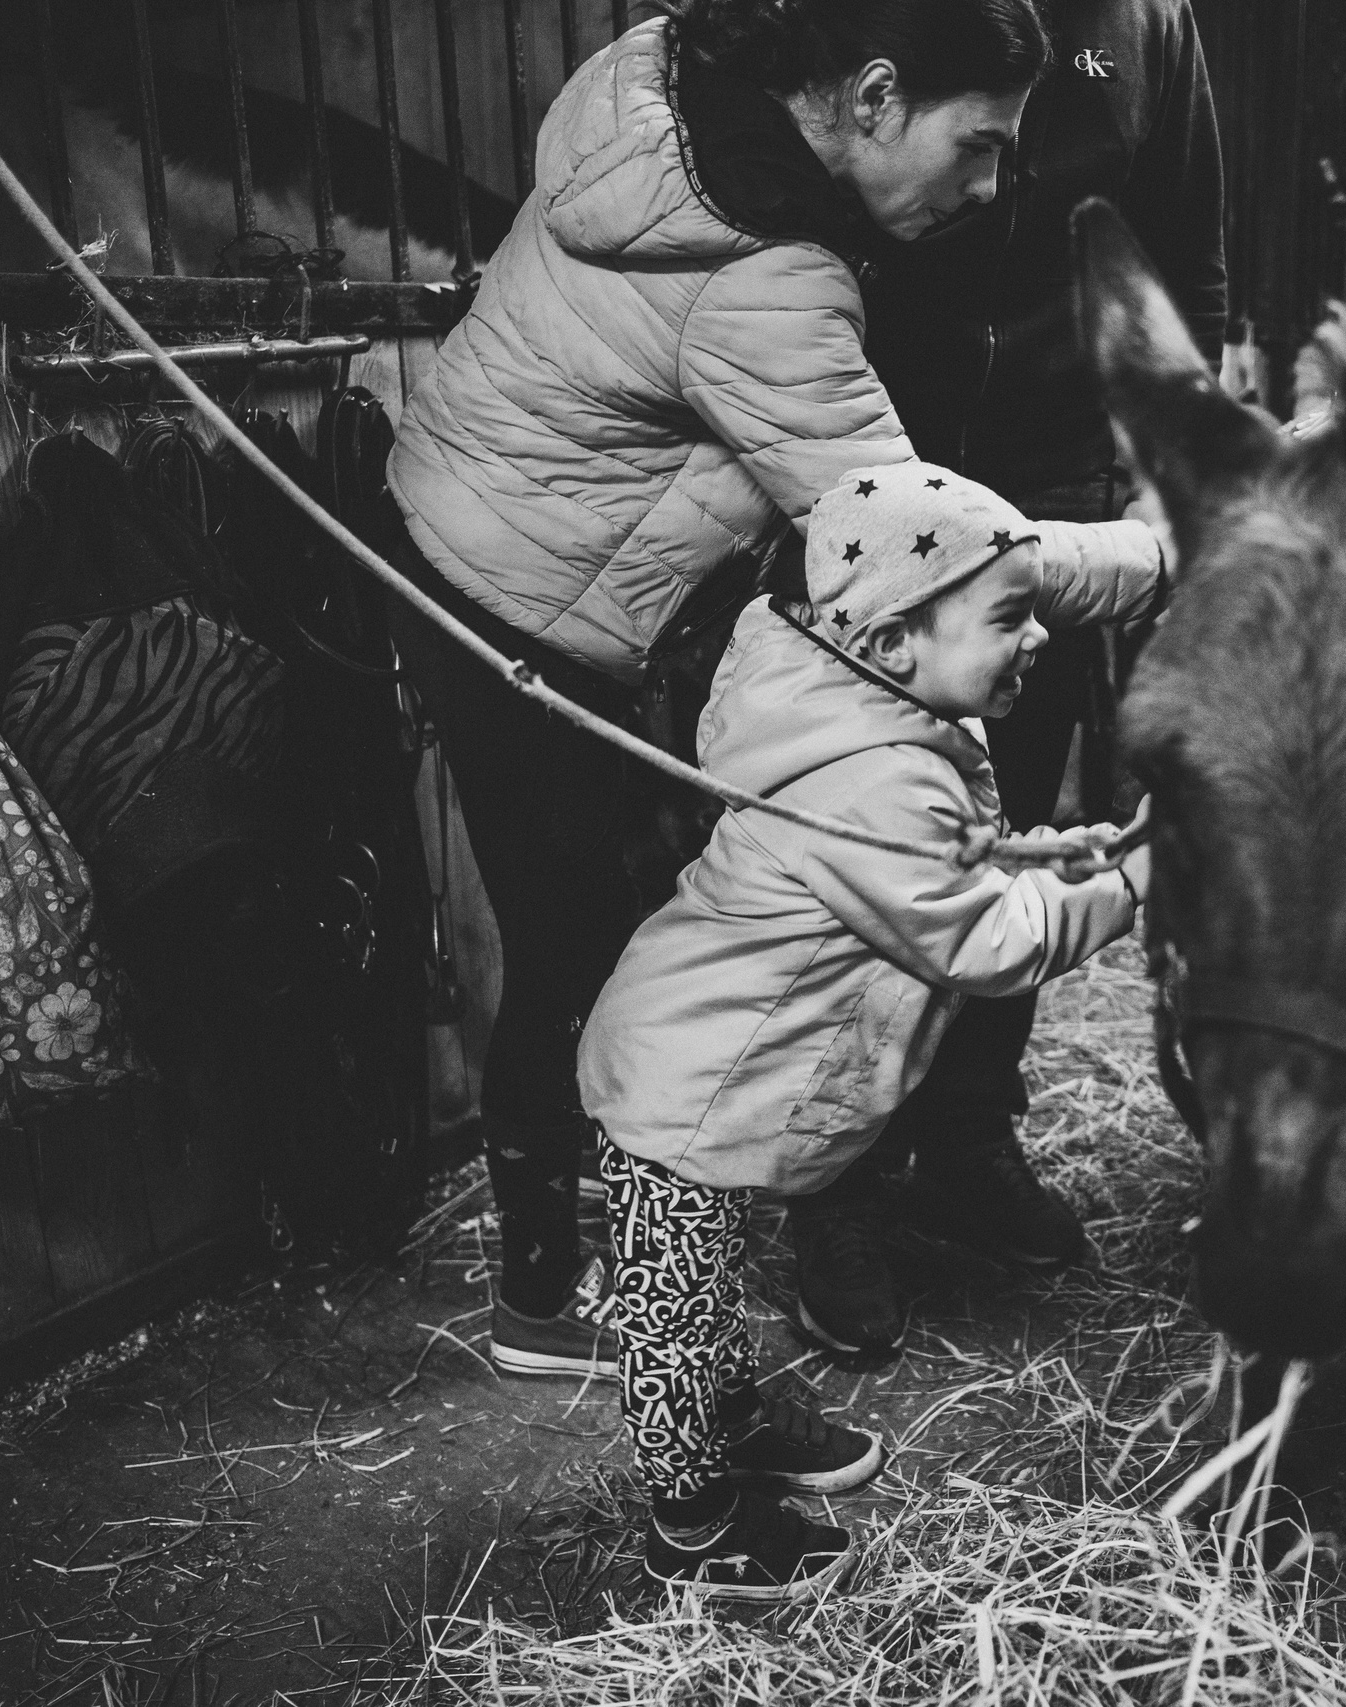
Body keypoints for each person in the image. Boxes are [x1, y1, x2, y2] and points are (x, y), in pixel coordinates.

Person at [379, 0, 1055, 1379]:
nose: (992, 187)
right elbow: (910, 539)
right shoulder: (767, 282)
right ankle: (541, 1300)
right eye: (978, 144)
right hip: (516, 596)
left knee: (621, 922)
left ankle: (608, 1226)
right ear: (871, 98)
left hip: (471, 538)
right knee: (585, 941)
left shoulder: (665, 80)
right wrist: (1148, 560)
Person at [580, 460, 1157, 1598]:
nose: (1036, 636)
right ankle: (691, 1521)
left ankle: (731, 1419)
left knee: (702, 1289)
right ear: (895, 642)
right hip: (685, 1087)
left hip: (713, 1062)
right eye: (1007, 616)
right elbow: (985, 943)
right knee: (674, 1307)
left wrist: (1071, 848)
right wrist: (1134, 885)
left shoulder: (871, 712)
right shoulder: (875, 777)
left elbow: (959, 861)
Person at [790, 0, 1227, 1358]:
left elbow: (1189, 260)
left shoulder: (1145, 30)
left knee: (1001, 823)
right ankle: (836, 1185)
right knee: (857, 838)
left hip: (1047, 483)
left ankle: (968, 1135)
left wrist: (1183, 485)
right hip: (866, 473)